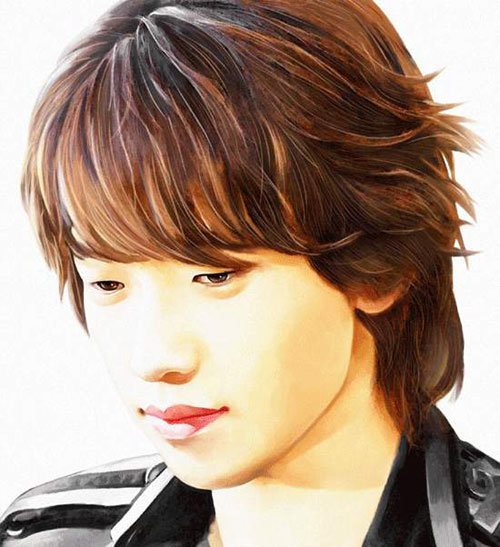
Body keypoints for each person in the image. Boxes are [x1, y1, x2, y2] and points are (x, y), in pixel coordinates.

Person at [1, 0, 499, 545]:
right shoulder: (50, 536)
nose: (155, 359)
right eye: (108, 283)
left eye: (215, 276)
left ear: (378, 265)